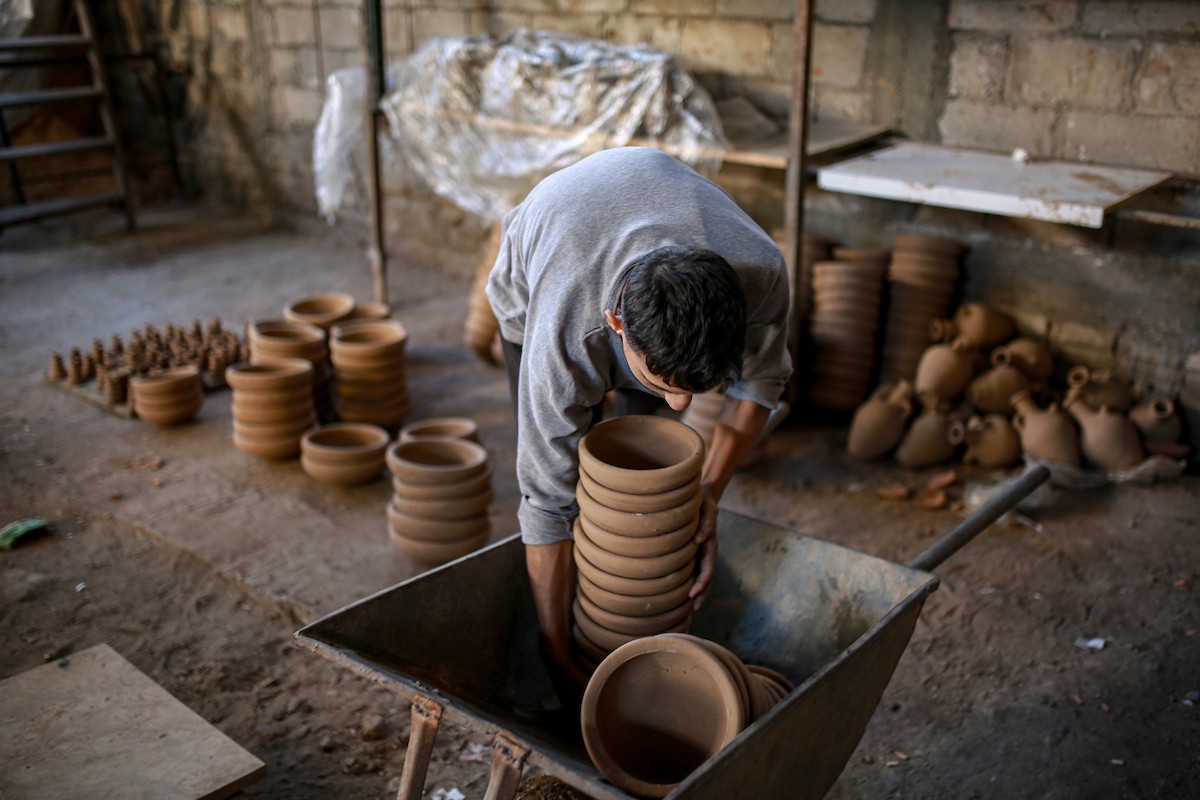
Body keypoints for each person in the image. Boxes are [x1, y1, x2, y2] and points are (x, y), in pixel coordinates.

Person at [486, 146, 792, 693]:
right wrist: (557, 650)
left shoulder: (761, 271)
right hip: (542, 273)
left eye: (694, 392)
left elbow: (761, 382)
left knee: (644, 466)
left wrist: (709, 495)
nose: (682, 409)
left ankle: (624, 601)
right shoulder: (566, 335)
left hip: (641, 244)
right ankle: (561, 617)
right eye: (665, 386)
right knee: (559, 474)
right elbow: (545, 502)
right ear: (616, 324)